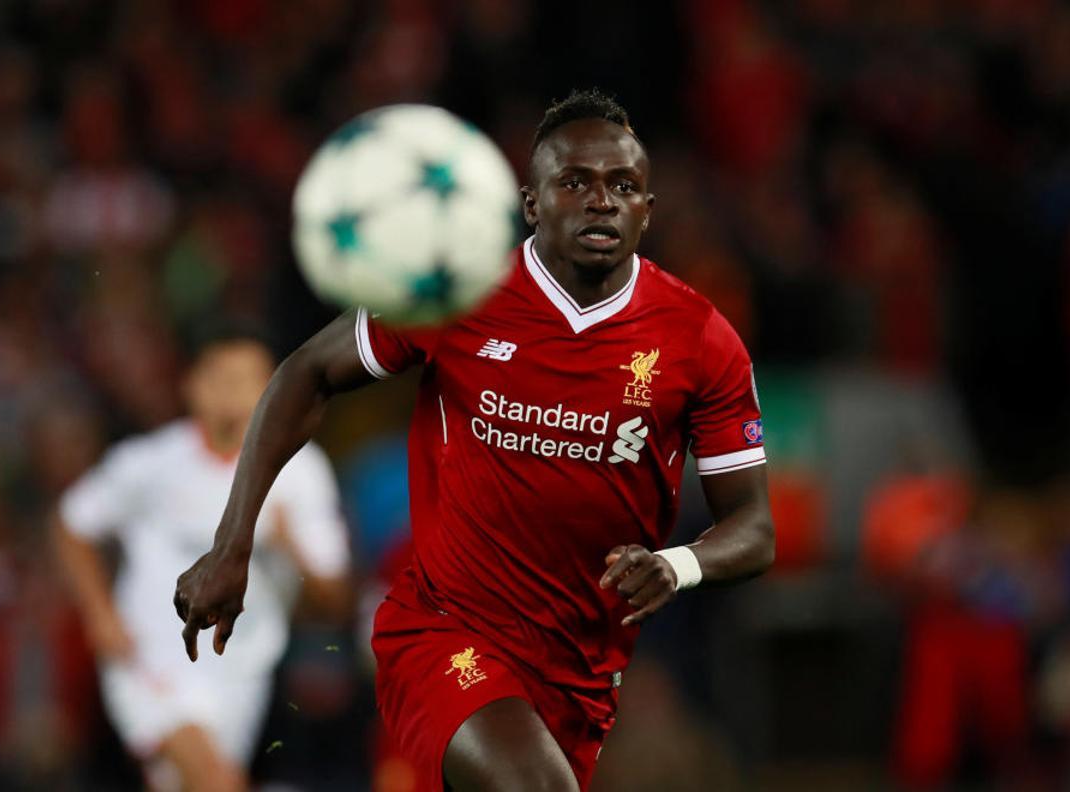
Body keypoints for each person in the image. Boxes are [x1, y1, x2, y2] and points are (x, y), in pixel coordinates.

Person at [175, 88, 775, 792]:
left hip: (580, 671)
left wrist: (678, 565)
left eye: (623, 186)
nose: (601, 202)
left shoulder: (700, 339)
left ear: (647, 208)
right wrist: (233, 543)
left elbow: (753, 527)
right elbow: (305, 373)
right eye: (575, 182)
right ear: (531, 203)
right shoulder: (458, 293)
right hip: (444, 632)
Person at [56, 327, 351, 791]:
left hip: (242, 671)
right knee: (216, 781)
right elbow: (72, 523)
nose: (234, 392)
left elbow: (334, 601)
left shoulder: (301, 473)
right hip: (150, 657)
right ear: (192, 386)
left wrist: (288, 544)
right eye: (221, 378)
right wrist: (100, 615)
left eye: (250, 380)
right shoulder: (152, 462)